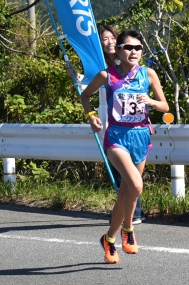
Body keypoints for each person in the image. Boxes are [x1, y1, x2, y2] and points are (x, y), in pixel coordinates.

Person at [80, 29, 169, 264]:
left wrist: (151, 101)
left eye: (138, 48)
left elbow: (165, 106)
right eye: (128, 47)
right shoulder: (106, 75)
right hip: (116, 137)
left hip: (141, 137)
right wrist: (91, 116)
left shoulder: (148, 74)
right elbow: (84, 95)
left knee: (125, 194)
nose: (134, 52)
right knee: (136, 186)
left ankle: (108, 239)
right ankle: (127, 230)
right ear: (118, 50)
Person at [67, 25, 145, 224]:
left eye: (112, 38)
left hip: (134, 125)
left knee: (133, 172)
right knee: (121, 168)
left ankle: (133, 212)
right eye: (104, 39)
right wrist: (76, 78)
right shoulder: (98, 67)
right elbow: (86, 89)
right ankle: (129, 215)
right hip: (108, 121)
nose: (109, 42)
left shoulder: (129, 62)